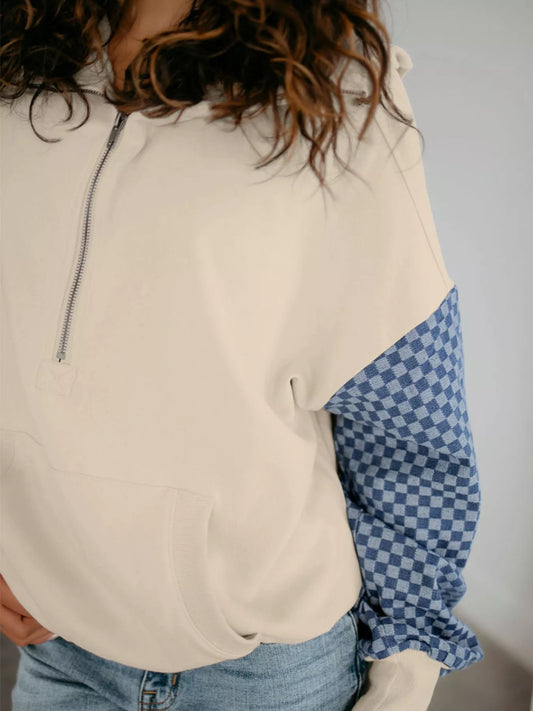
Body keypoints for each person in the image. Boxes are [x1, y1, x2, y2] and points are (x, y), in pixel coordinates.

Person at [0, 1, 483, 709]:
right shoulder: (16, 67)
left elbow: (405, 417)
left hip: (261, 673)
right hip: (59, 645)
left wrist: (405, 672)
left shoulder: (332, 93)